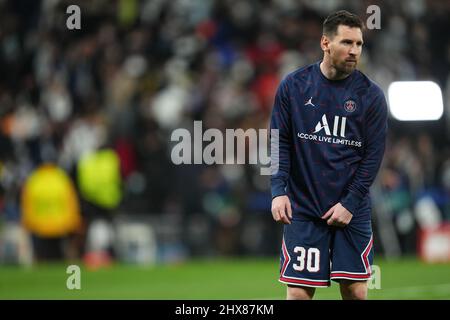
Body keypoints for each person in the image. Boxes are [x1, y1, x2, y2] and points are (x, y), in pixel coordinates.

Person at [270, 10, 388, 300]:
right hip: (304, 208)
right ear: (325, 43)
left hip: (351, 210)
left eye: (359, 44)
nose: (354, 51)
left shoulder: (371, 96)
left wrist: (349, 203)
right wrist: (277, 190)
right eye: (347, 42)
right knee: (298, 294)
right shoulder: (294, 86)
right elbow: (278, 141)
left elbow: (372, 158)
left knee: (356, 292)